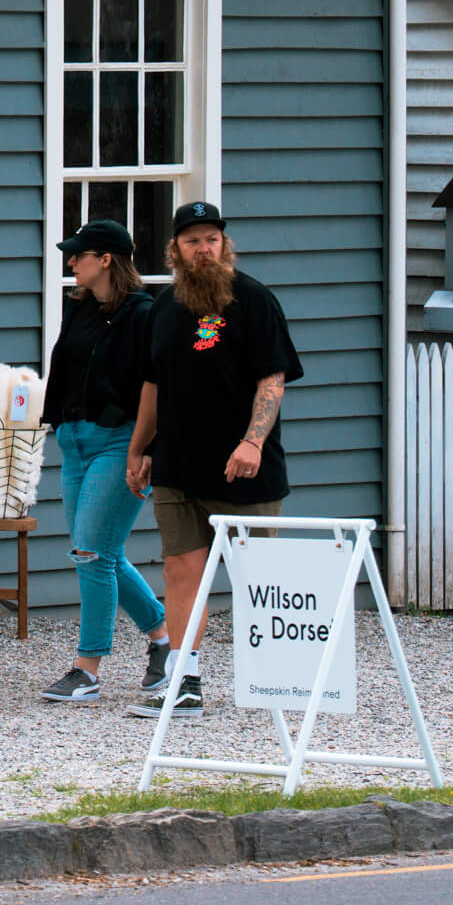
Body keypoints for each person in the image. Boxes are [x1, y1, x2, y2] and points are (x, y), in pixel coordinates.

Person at [125, 201, 303, 722]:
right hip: (177, 465)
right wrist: (138, 449)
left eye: (211, 239)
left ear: (225, 245)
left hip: (243, 468)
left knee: (257, 577)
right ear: (174, 251)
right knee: (182, 570)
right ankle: (184, 680)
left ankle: (279, 681)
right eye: (191, 241)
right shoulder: (162, 309)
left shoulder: (253, 299)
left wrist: (252, 442)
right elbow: (152, 386)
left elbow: (273, 379)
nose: (203, 249)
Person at [39, 218, 170, 704]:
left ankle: (87, 669)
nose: (71, 262)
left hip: (121, 443)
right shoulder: (79, 308)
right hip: (74, 441)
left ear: (106, 260)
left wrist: (146, 451)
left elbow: (156, 389)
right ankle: (162, 641)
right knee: (96, 552)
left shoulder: (144, 313)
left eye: (79, 255)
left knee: (92, 552)